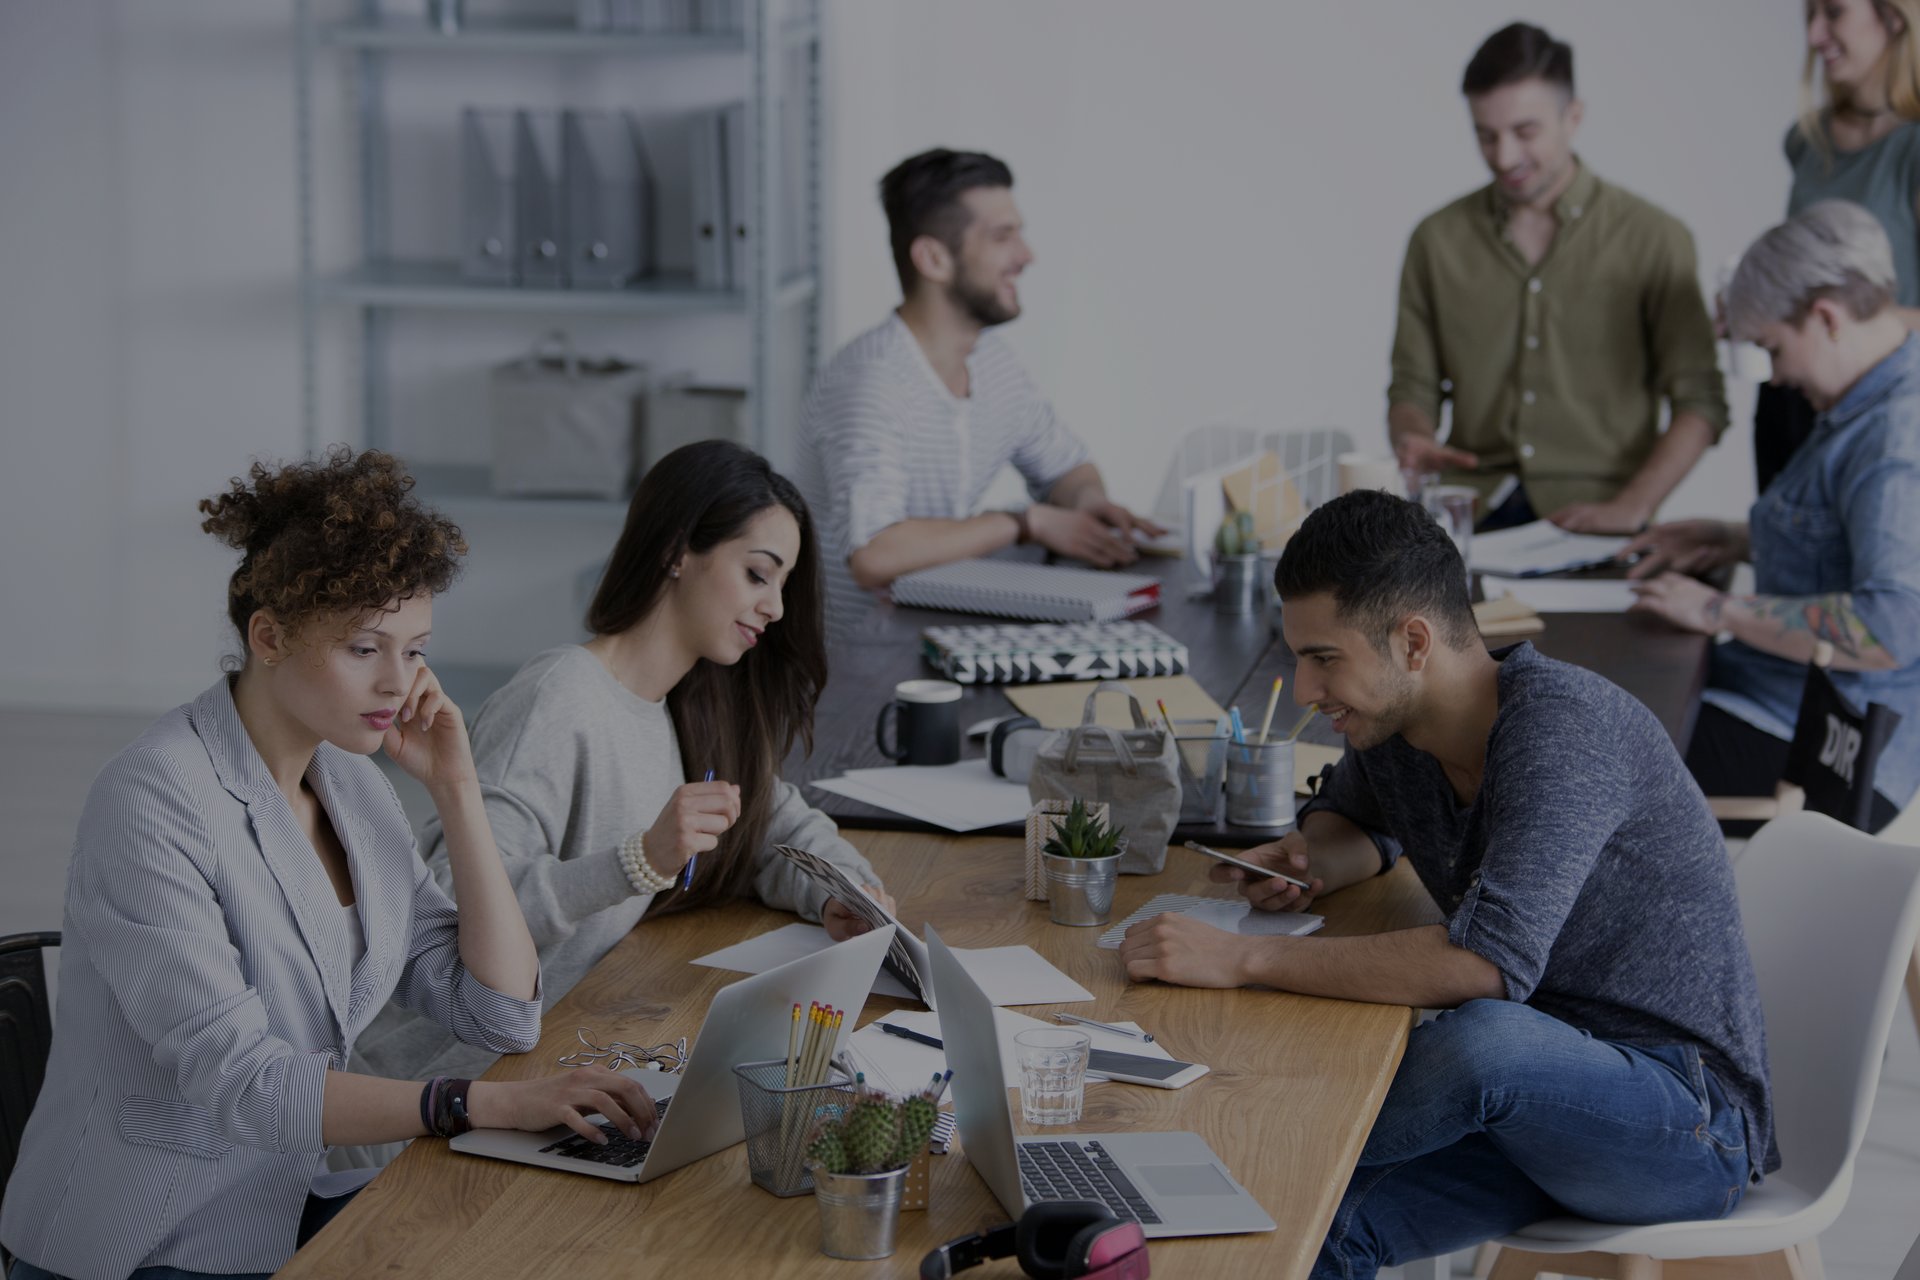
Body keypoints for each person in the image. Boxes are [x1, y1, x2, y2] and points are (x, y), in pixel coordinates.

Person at [0, 450, 660, 1280]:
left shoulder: (351, 783)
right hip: (152, 1244)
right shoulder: (151, 801)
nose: (398, 681)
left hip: (279, 1202)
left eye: (415, 650)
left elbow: (499, 1015)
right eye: (362, 648)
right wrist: (477, 1103)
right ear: (269, 636)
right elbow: (246, 1085)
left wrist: (457, 791)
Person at [1118, 490, 1774, 1277]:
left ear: (1414, 641)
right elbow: (1355, 817)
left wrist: (1239, 958)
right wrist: (1316, 859)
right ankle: (1236, 1160)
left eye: (1323, 657)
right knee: (1298, 1223)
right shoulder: (1397, 723)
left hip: (1682, 1121)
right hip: (1520, 1117)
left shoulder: (1562, 732)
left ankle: (1240, 1138)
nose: (1302, 688)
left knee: (1474, 1044)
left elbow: (1484, 969)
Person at [353, 441, 891, 1097]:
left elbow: (779, 828)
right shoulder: (559, 699)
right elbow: (459, 907)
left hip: (559, 1066)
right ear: (675, 552)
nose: (775, 608)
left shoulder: (694, 704)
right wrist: (637, 861)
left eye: (782, 584)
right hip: (441, 1092)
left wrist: (846, 894)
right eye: (757, 574)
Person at [1629, 200, 1920, 829]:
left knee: (1584, 755)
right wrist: (1731, 540)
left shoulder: (1895, 440)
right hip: (1780, 699)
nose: (1777, 375)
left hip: (1829, 745)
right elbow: (1845, 536)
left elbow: (1891, 626)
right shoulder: (1863, 396)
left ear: (1826, 317)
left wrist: (1716, 609)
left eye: (1772, 348)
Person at [794, 147, 1162, 638]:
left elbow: (1065, 466)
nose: (1026, 256)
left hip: (934, 639)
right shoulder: (871, 385)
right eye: (1002, 236)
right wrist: (1023, 522)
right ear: (933, 258)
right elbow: (874, 554)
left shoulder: (992, 363)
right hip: (857, 675)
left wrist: (1085, 500)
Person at [1387, 22, 1728, 533]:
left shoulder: (1655, 238)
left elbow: (1700, 400)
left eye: (1525, 132)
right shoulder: (1435, 241)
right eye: (1485, 135)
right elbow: (1412, 386)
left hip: (1600, 518)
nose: (1504, 157)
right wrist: (1413, 435)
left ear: (1574, 117)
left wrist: (1632, 508)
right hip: (1473, 518)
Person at [1756, 0, 1920, 491]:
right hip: (1792, 402)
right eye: (1810, 16)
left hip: (1876, 413)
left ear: (1893, 17)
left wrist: (1856, 321)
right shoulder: (1808, 141)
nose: (1814, 35)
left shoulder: (1911, 149)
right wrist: (1759, 305)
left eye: (1834, 12)